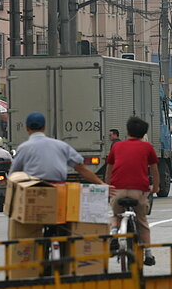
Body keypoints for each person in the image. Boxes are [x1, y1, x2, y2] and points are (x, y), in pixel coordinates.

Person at [105, 116, 159, 266]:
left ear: (127, 131)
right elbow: (154, 170)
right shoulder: (147, 147)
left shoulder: (116, 146)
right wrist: (155, 187)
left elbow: (109, 168)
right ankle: (148, 253)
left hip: (118, 191)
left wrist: (108, 186)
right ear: (143, 134)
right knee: (142, 221)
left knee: (115, 214)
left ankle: (114, 235)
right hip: (138, 191)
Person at [10, 112, 107, 184]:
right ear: (44, 127)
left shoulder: (23, 148)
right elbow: (81, 168)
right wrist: (102, 184)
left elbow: (14, 174)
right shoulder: (61, 145)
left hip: (32, 191)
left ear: (27, 128)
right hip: (58, 190)